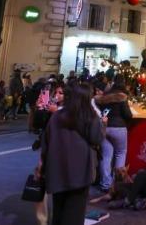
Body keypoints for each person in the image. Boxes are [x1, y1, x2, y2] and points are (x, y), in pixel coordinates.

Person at [35, 83, 105, 225]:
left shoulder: (57, 116)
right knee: (75, 211)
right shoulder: (89, 117)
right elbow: (97, 138)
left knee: (58, 210)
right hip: (80, 172)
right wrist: (104, 125)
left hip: (57, 169)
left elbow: (46, 142)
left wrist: (42, 164)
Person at [95, 82, 133, 192]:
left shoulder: (102, 99)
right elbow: (128, 115)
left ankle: (106, 184)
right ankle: (118, 185)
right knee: (120, 153)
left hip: (104, 128)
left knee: (106, 156)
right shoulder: (122, 98)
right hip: (119, 128)